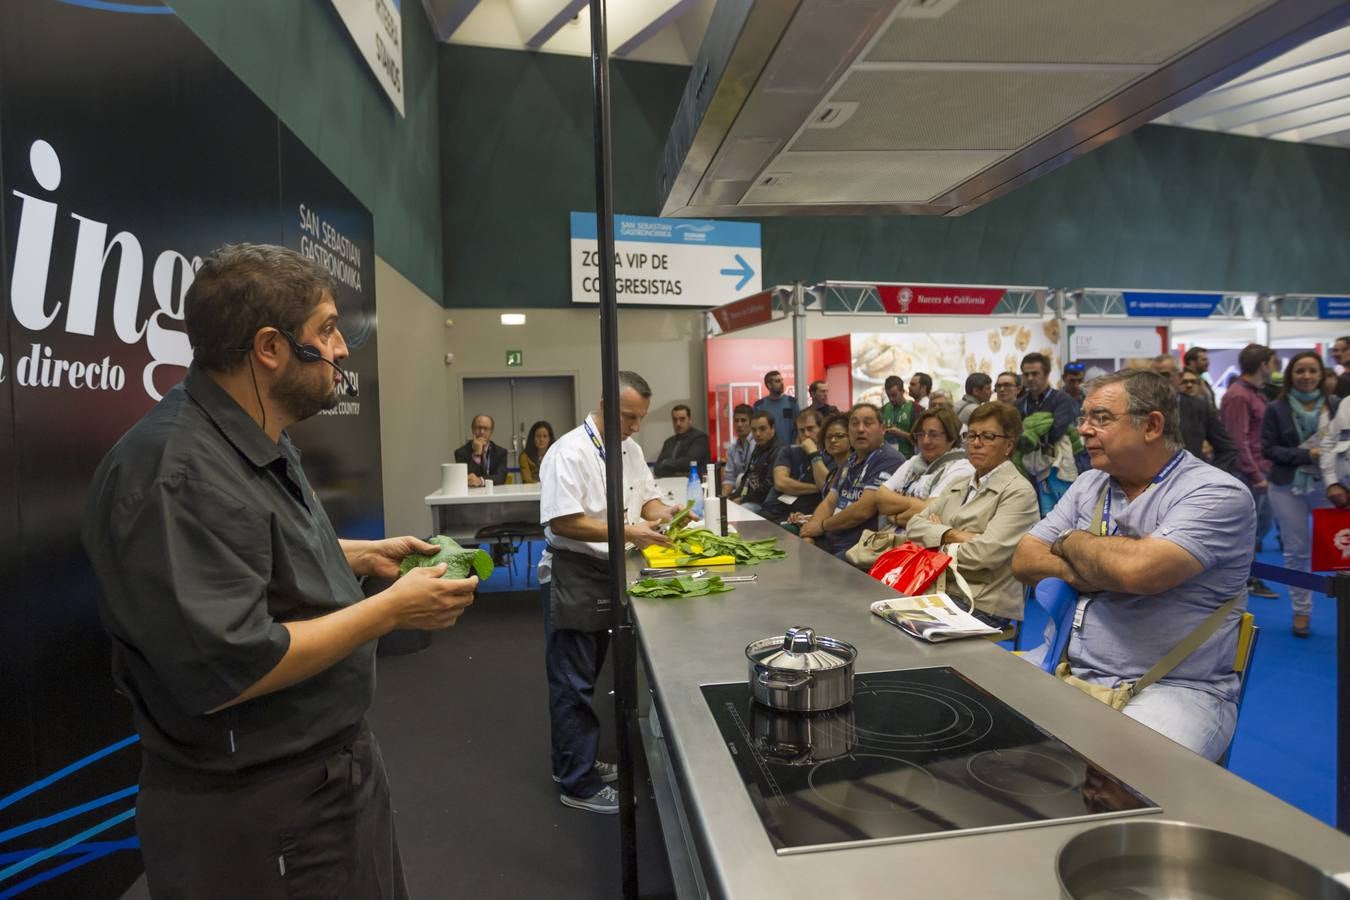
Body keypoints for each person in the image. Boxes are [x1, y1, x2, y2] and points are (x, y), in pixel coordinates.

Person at [81, 244, 478, 898]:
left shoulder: (258, 435)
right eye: (325, 331)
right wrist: (391, 609)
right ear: (270, 348)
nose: (342, 350)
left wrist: (362, 555)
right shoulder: (172, 476)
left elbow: (253, 553)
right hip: (261, 820)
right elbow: (232, 668)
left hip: (329, 785)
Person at [1012, 369, 1255, 762]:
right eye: (1083, 418)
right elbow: (1024, 559)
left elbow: (1138, 573)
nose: (1085, 431)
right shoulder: (1090, 484)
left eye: (1101, 419)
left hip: (1172, 688)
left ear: (1152, 425)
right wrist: (1093, 569)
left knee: (1122, 780)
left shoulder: (1216, 492)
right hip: (1060, 663)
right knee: (971, 729)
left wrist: (1070, 540)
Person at [538, 370, 682, 814]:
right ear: (603, 403)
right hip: (576, 572)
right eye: (627, 416)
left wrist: (670, 513)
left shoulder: (630, 449)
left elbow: (648, 501)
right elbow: (564, 521)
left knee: (589, 672)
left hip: (608, 569)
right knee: (573, 680)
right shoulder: (570, 452)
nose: (635, 426)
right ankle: (577, 784)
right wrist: (631, 530)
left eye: (640, 418)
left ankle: (575, 761)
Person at [908, 402, 1040, 631]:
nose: (976, 443)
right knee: (880, 613)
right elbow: (913, 527)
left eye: (987, 436)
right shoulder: (959, 484)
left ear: (1008, 445)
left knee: (909, 632)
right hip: (938, 588)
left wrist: (933, 541)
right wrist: (953, 534)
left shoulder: (1019, 492)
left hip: (982, 601)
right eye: (971, 435)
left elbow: (983, 555)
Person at [1262, 351, 1340, 637]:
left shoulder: (1336, 407)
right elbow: (1268, 450)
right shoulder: (1276, 408)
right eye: (1300, 371)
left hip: (1329, 486)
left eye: (1312, 371)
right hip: (1286, 486)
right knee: (1297, 552)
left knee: (1339, 551)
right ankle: (1301, 611)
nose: (1306, 376)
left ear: (1321, 375)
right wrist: (1307, 454)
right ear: (1290, 375)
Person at [798, 403, 903, 559]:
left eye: (867, 423)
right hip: (832, 537)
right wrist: (809, 532)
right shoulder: (851, 460)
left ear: (882, 429)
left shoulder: (889, 459)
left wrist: (821, 526)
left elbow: (863, 510)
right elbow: (830, 501)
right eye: (854, 424)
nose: (860, 429)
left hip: (860, 547)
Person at [1220, 343, 1279, 599]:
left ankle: (1248, 578)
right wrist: (1255, 475)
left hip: (1260, 470)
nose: (1275, 368)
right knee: (1248, 530)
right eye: (1273, 362)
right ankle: (1247, 580)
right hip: (1248, 474)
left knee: (1258, 529)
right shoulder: (1238, 395)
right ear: (1263, 365)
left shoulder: (1255, 393)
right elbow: (1237, 440)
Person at [876, 408, 974, 528]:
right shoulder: (914, 461)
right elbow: (880, 497)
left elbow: (931, 511)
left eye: (934, 435)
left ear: (951, 437)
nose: (926, 441)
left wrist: (894, 516)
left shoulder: (962, 468)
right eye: (921, 434)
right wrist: (916, 504)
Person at [1017, 352, 1082, 515]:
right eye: (1026, 374)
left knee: (1059, 511)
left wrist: (1032, 432)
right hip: (1027, 466)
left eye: (1035, 373)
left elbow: (1057, 430)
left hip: (1057, 465)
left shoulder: (1062, 399)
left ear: (1046, 374)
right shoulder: (1019, 403)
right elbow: (1016, 434)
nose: (1030, 378)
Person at [1150, 354, 1237, 472]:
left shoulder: (1199, 407)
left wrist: (1209, 477)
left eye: (1165, 375)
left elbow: (1227, 448)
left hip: (1189, 480)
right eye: (1153, 377)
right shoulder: (1138, 408)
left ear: (1179, 376)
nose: (1159, 381)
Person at [761, 409, 824, 521]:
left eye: (810, 429)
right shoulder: (788, 451)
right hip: (771, 510)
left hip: (799, 516)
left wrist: (813, 453)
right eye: (801, 430)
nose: (806, 434)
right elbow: (781, 483)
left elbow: (825, 486)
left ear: (821, 429)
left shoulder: (827, 456)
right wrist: (816, 488)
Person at [732, 411, 781, 512]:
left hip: (767, 502)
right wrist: (732, 497)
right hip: (754, 496)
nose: (757, 434)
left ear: (772, 428)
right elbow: (748, 476)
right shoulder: (759, 447)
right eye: (754, 430)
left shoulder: (780, 450)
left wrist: (742, 499)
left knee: (741, 509)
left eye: (762, 429)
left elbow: (768, 486)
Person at [653, 403, 711, 477]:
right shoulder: (668, 442)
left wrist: (666, 462)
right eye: (675, 419)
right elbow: (657, 469)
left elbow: (689, 463)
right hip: (669, 484)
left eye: (682, 419)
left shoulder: (700, 438)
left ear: (690, 420)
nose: (678, 423)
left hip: (693, 484)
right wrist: (676, 465)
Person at [455, 414, 509, 487]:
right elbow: (468, 480)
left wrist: (481, 481)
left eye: (486, 428)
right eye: (478, 428)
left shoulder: (501, 452)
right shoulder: (461, 453)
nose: (482, 432)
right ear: (472, 429)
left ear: (491, 431)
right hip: (470, 494)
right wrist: (477, 454)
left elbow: (501, 478)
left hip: (494, 494)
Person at [753, 369, 799, 444]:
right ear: (769, 385)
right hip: (767, 450)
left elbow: (798, 427)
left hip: (789, 449)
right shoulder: (759, 406)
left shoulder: (792, 403)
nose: (781, 383)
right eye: (777, 381)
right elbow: (755, 429)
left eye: (782, 380)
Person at [720, 404, 755, 497]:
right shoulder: (732, 448)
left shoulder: (757, 444)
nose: (739, 424)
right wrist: (723, 498)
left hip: (754, 494)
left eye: (743, 420)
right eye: (736, 421)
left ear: (751, 423)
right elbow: (729, 478)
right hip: (737, 493)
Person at [880, 374, 916, 457]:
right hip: (887, 457)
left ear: (903, 391)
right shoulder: (883, 409)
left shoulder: (914, 409)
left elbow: (918, 439)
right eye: (889, 396)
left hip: (907, 457)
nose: (891, 399)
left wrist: (901, 433)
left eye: (894, 395)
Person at [519, 420, 555, 484]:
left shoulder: (556, 455)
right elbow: (527, 480)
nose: (541, 439)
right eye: (538, 436)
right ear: (533, 438)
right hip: (532, 491)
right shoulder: (524, 456)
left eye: (545, 436)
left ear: (550, 438)